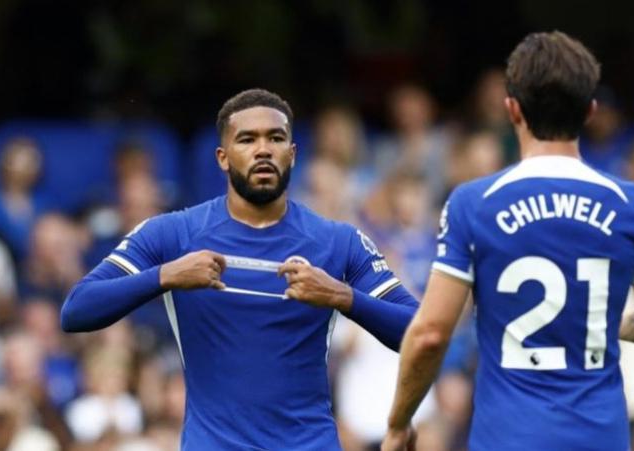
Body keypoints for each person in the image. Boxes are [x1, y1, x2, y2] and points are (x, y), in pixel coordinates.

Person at [60, 88, 419, 450]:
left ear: (292, 154)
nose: (263, 150)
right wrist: (165, 276)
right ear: (223, 157)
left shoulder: (339, 241)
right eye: (247, 139)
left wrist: (342, 296)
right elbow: (77, 309)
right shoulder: (173, 233)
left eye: (275, 138)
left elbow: (420, 330)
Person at [382, 31, 634, 451]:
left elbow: (431, 332)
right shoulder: (632, 205)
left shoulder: (474, 203)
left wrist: (399, 422)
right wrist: (596, 321)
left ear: (512, 109)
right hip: (599, 439)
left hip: (508, 439)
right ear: (590, 111)